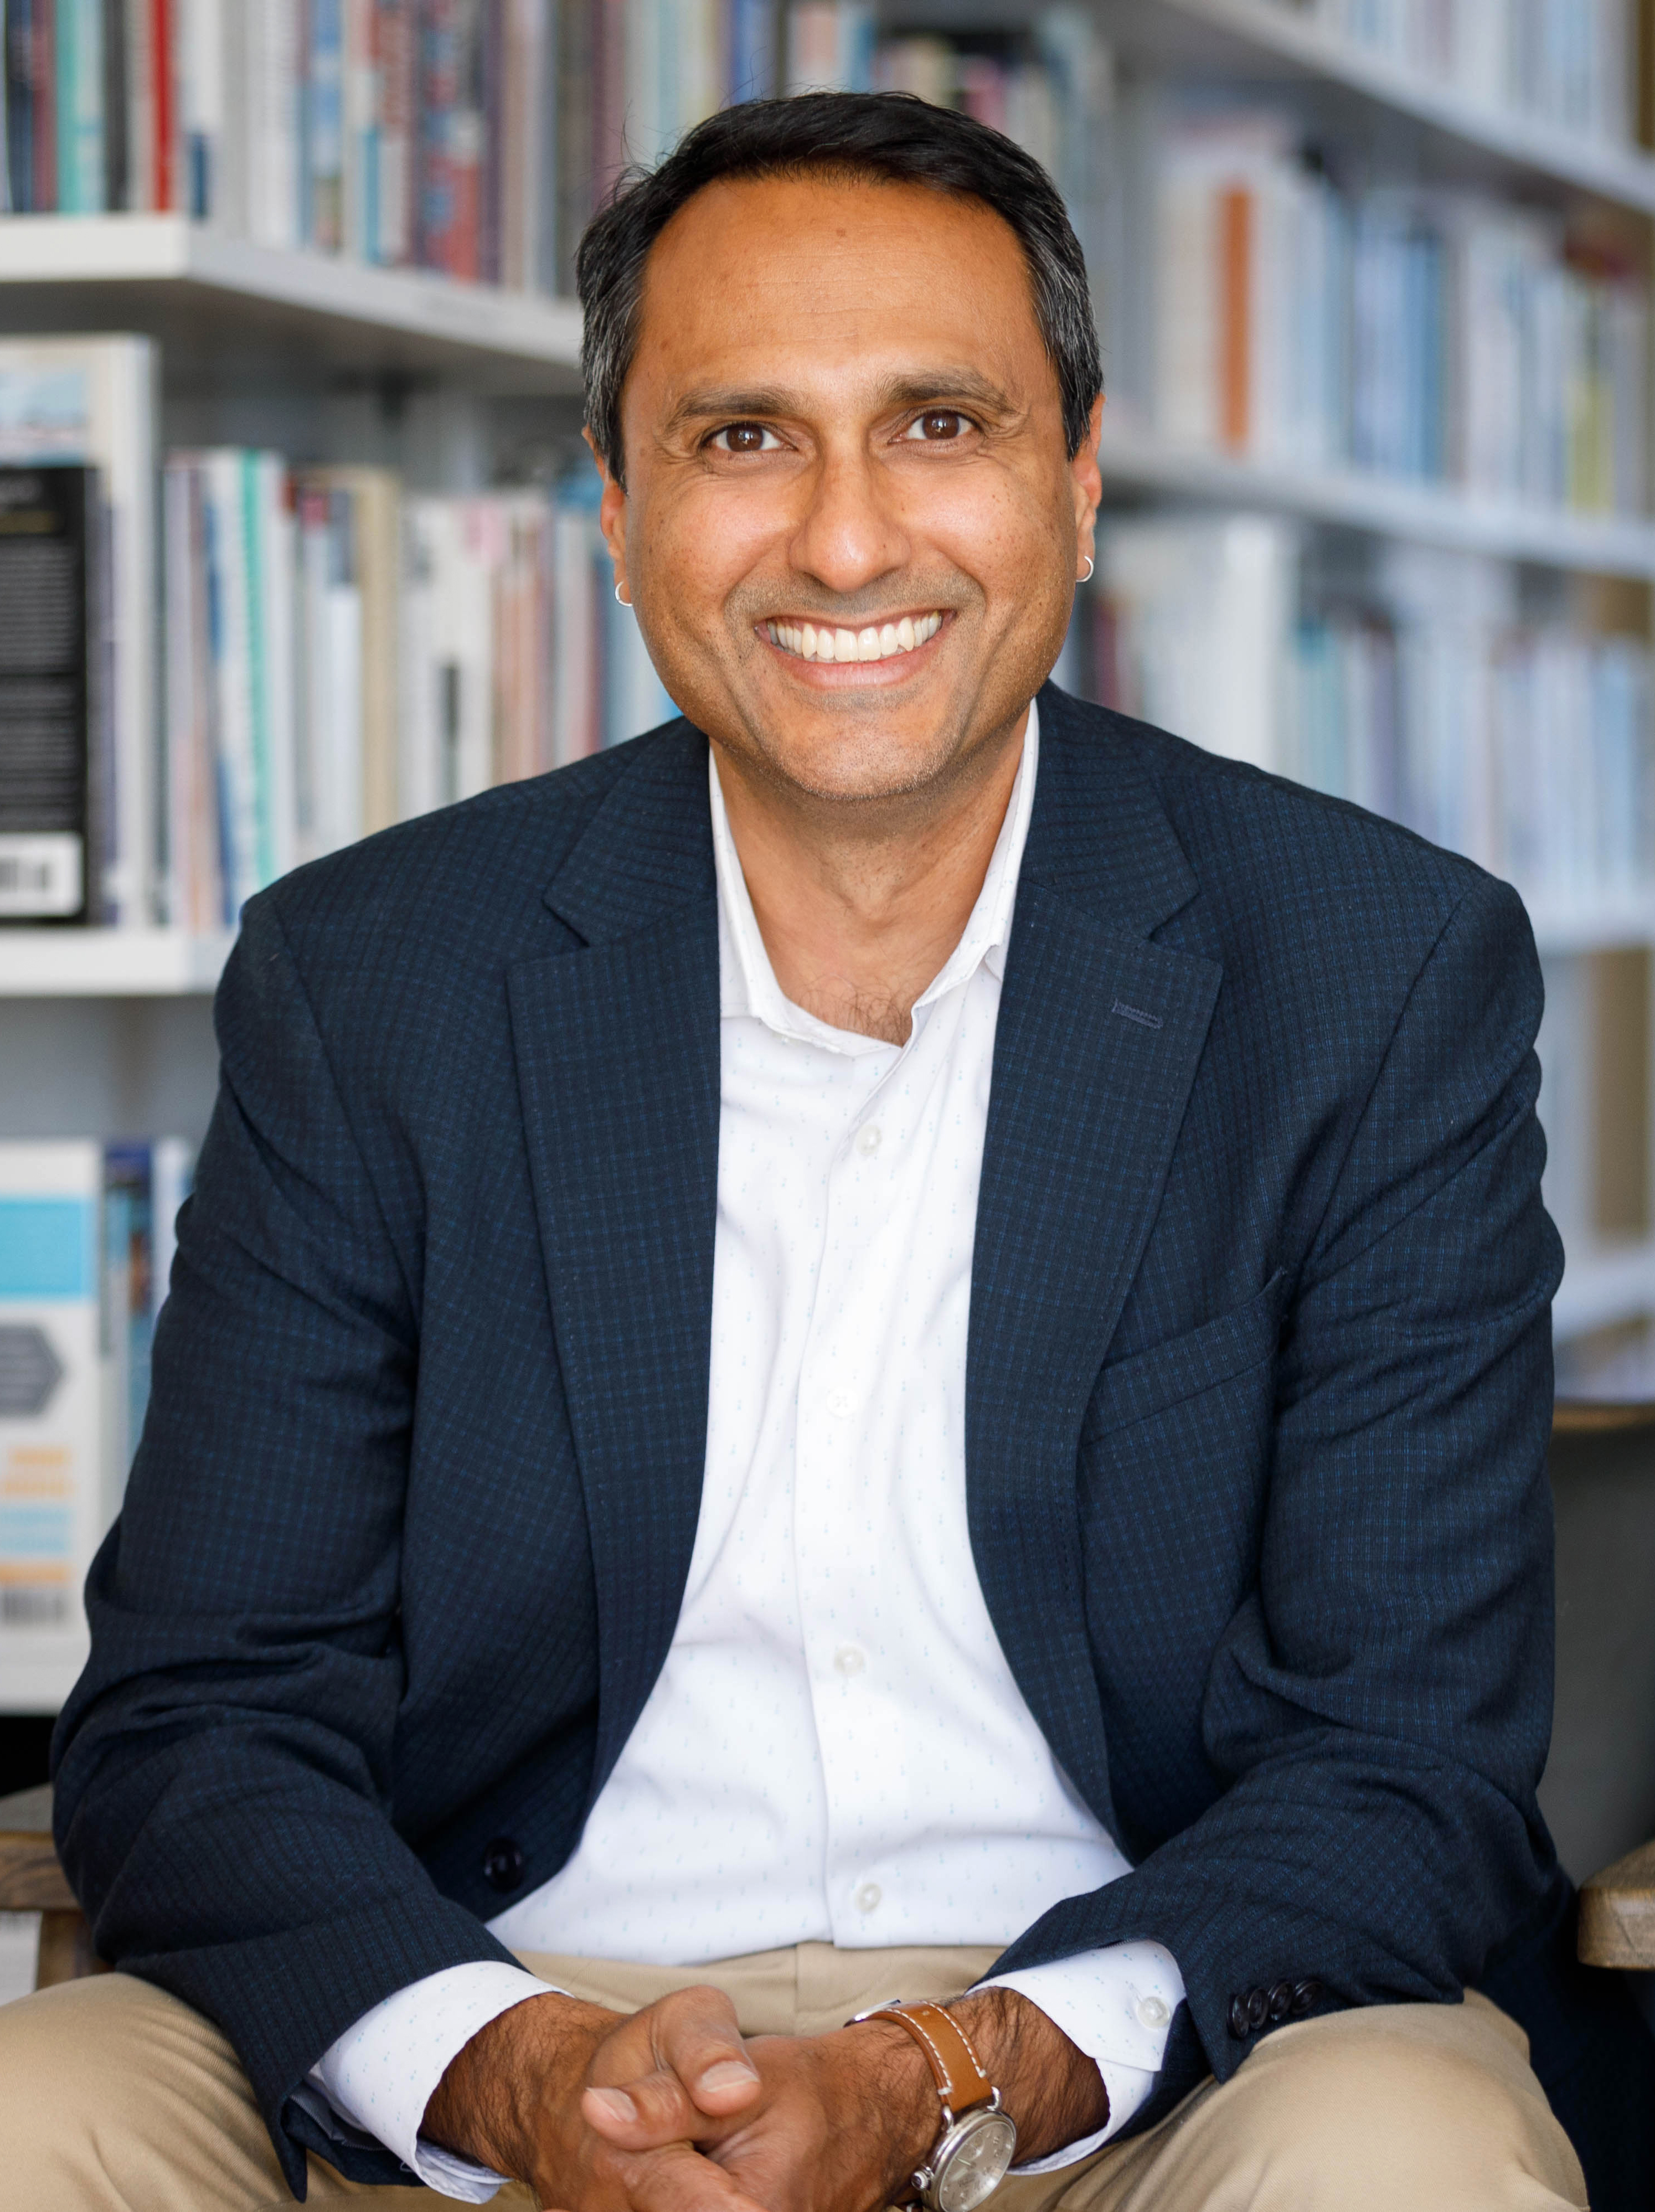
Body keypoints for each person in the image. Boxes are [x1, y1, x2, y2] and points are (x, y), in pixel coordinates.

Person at [1, 90, 1641, 2212]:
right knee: (39, 2109)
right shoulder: (372, 977)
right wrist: (505, 2073)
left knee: (1401, 2149)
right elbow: (201, 1710)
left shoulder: (1374, 972)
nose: (848, 541)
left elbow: (1405, 1760)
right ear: (612, 504)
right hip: (501, 2000)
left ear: (1075, 468)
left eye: (938, 425)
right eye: (744, 436)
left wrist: (949, 2067)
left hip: (1130, 2041)